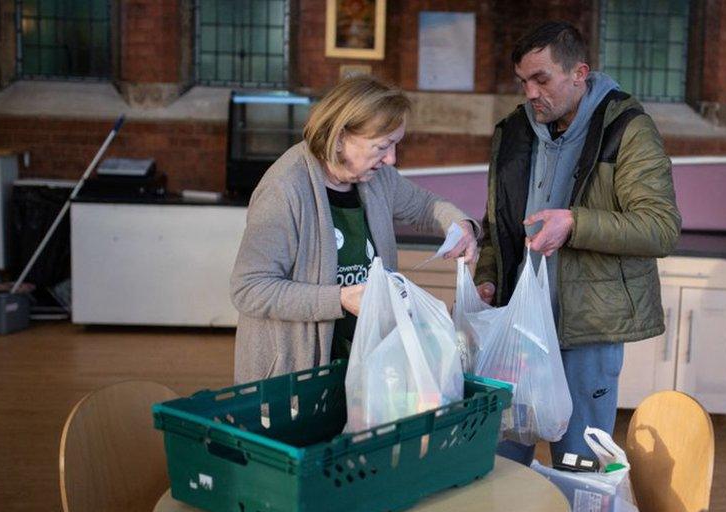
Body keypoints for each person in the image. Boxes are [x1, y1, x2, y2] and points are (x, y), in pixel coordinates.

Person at [474, 22, 681, 467]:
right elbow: (497, 223)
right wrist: (488, 277)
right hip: (518, 326)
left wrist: (573, 224)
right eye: (523, 81)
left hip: (588, 330)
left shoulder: (628, 128)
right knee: (502, 464)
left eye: (541, 79)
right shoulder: (512, 131)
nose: (530, 92)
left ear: (579, 72)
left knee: (581, 465)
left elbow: (661, 227)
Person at [231, 76, 478, 383]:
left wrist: (462, 225)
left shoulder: (378, 178)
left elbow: (426, 206)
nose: (391, 159)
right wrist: (340, 299)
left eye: (395, 145)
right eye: (382, 146)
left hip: (362, 369)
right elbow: (249, 289)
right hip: (293, 376)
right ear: (338, 138)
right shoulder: (284, 190)